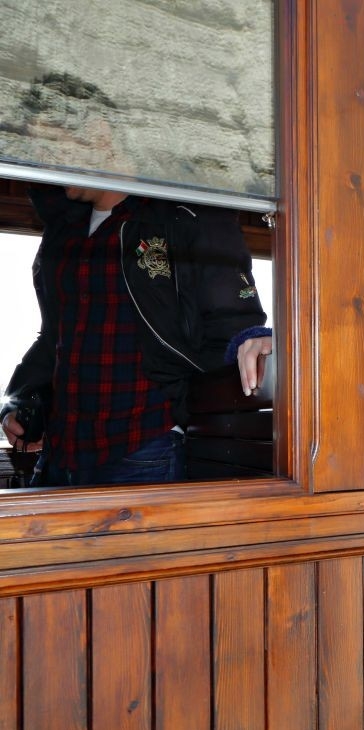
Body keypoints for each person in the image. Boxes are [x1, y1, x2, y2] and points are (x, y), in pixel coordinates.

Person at [0, 73, 272, 487]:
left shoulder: (187, 214)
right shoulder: (64, 231)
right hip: (61, 451)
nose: (41, 159)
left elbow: (235, 325)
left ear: (99, 133)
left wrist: (266, 342)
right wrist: (21, 399)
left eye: (48, 143)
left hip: (145, 446)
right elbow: (56, 334)